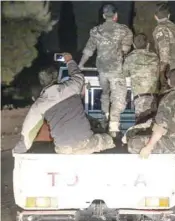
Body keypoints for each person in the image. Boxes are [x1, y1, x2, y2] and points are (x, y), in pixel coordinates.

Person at [12, 53, 115, 155]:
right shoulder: (73, 87)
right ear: (56, 77)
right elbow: (78, 75)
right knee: (108, 139)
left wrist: (16, 151)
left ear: (41, 82)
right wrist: (69, 60)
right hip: (85, 144)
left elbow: (27, 134)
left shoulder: (39, 105)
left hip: (63, 149)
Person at [78, 3, 133, 137]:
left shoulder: (96, 31)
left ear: (103, 15)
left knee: (105, 93)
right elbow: (126, 49)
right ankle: (113, 126)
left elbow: (89, 50)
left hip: (102, 70)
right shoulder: (124, 30)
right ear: (116, 16)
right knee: (118, 96)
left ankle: (106, 117)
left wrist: (80, 64)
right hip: (116, 70)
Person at [126, 68, 175, 159]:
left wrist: (148, 147)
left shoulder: (169, 98)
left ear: (169, 81)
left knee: (133, 142)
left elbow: (160, 127)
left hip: (172, 145)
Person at [123, 33, 159, 123]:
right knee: (154, 123)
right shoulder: (155, 57)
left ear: (134, 45)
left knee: (141, 125)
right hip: (154, 97)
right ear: (147, 44)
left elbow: (124, 74)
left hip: (140, 99)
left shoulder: (129, 58)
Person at [152, 3, 175, 93]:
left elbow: (164, 54)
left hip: (169, 74)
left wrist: (162, 74)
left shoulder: (161, 29)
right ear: (168, 15)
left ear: (155, 17)